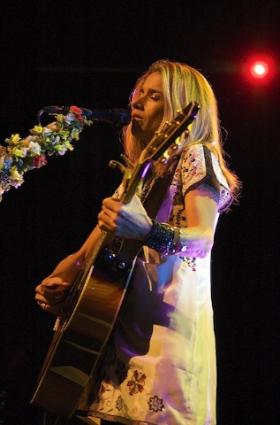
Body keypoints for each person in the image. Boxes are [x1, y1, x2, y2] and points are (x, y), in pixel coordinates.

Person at [35, 59, 241, 425]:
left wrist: (147, 231)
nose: (137, 102)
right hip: (116, 331)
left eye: (154, 96)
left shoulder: (196, 156)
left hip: (164, 332)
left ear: (180, 108)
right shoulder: (140, 175)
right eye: (137, 94)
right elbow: (85, 254)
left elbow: (202, 241)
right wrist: (62, 282)